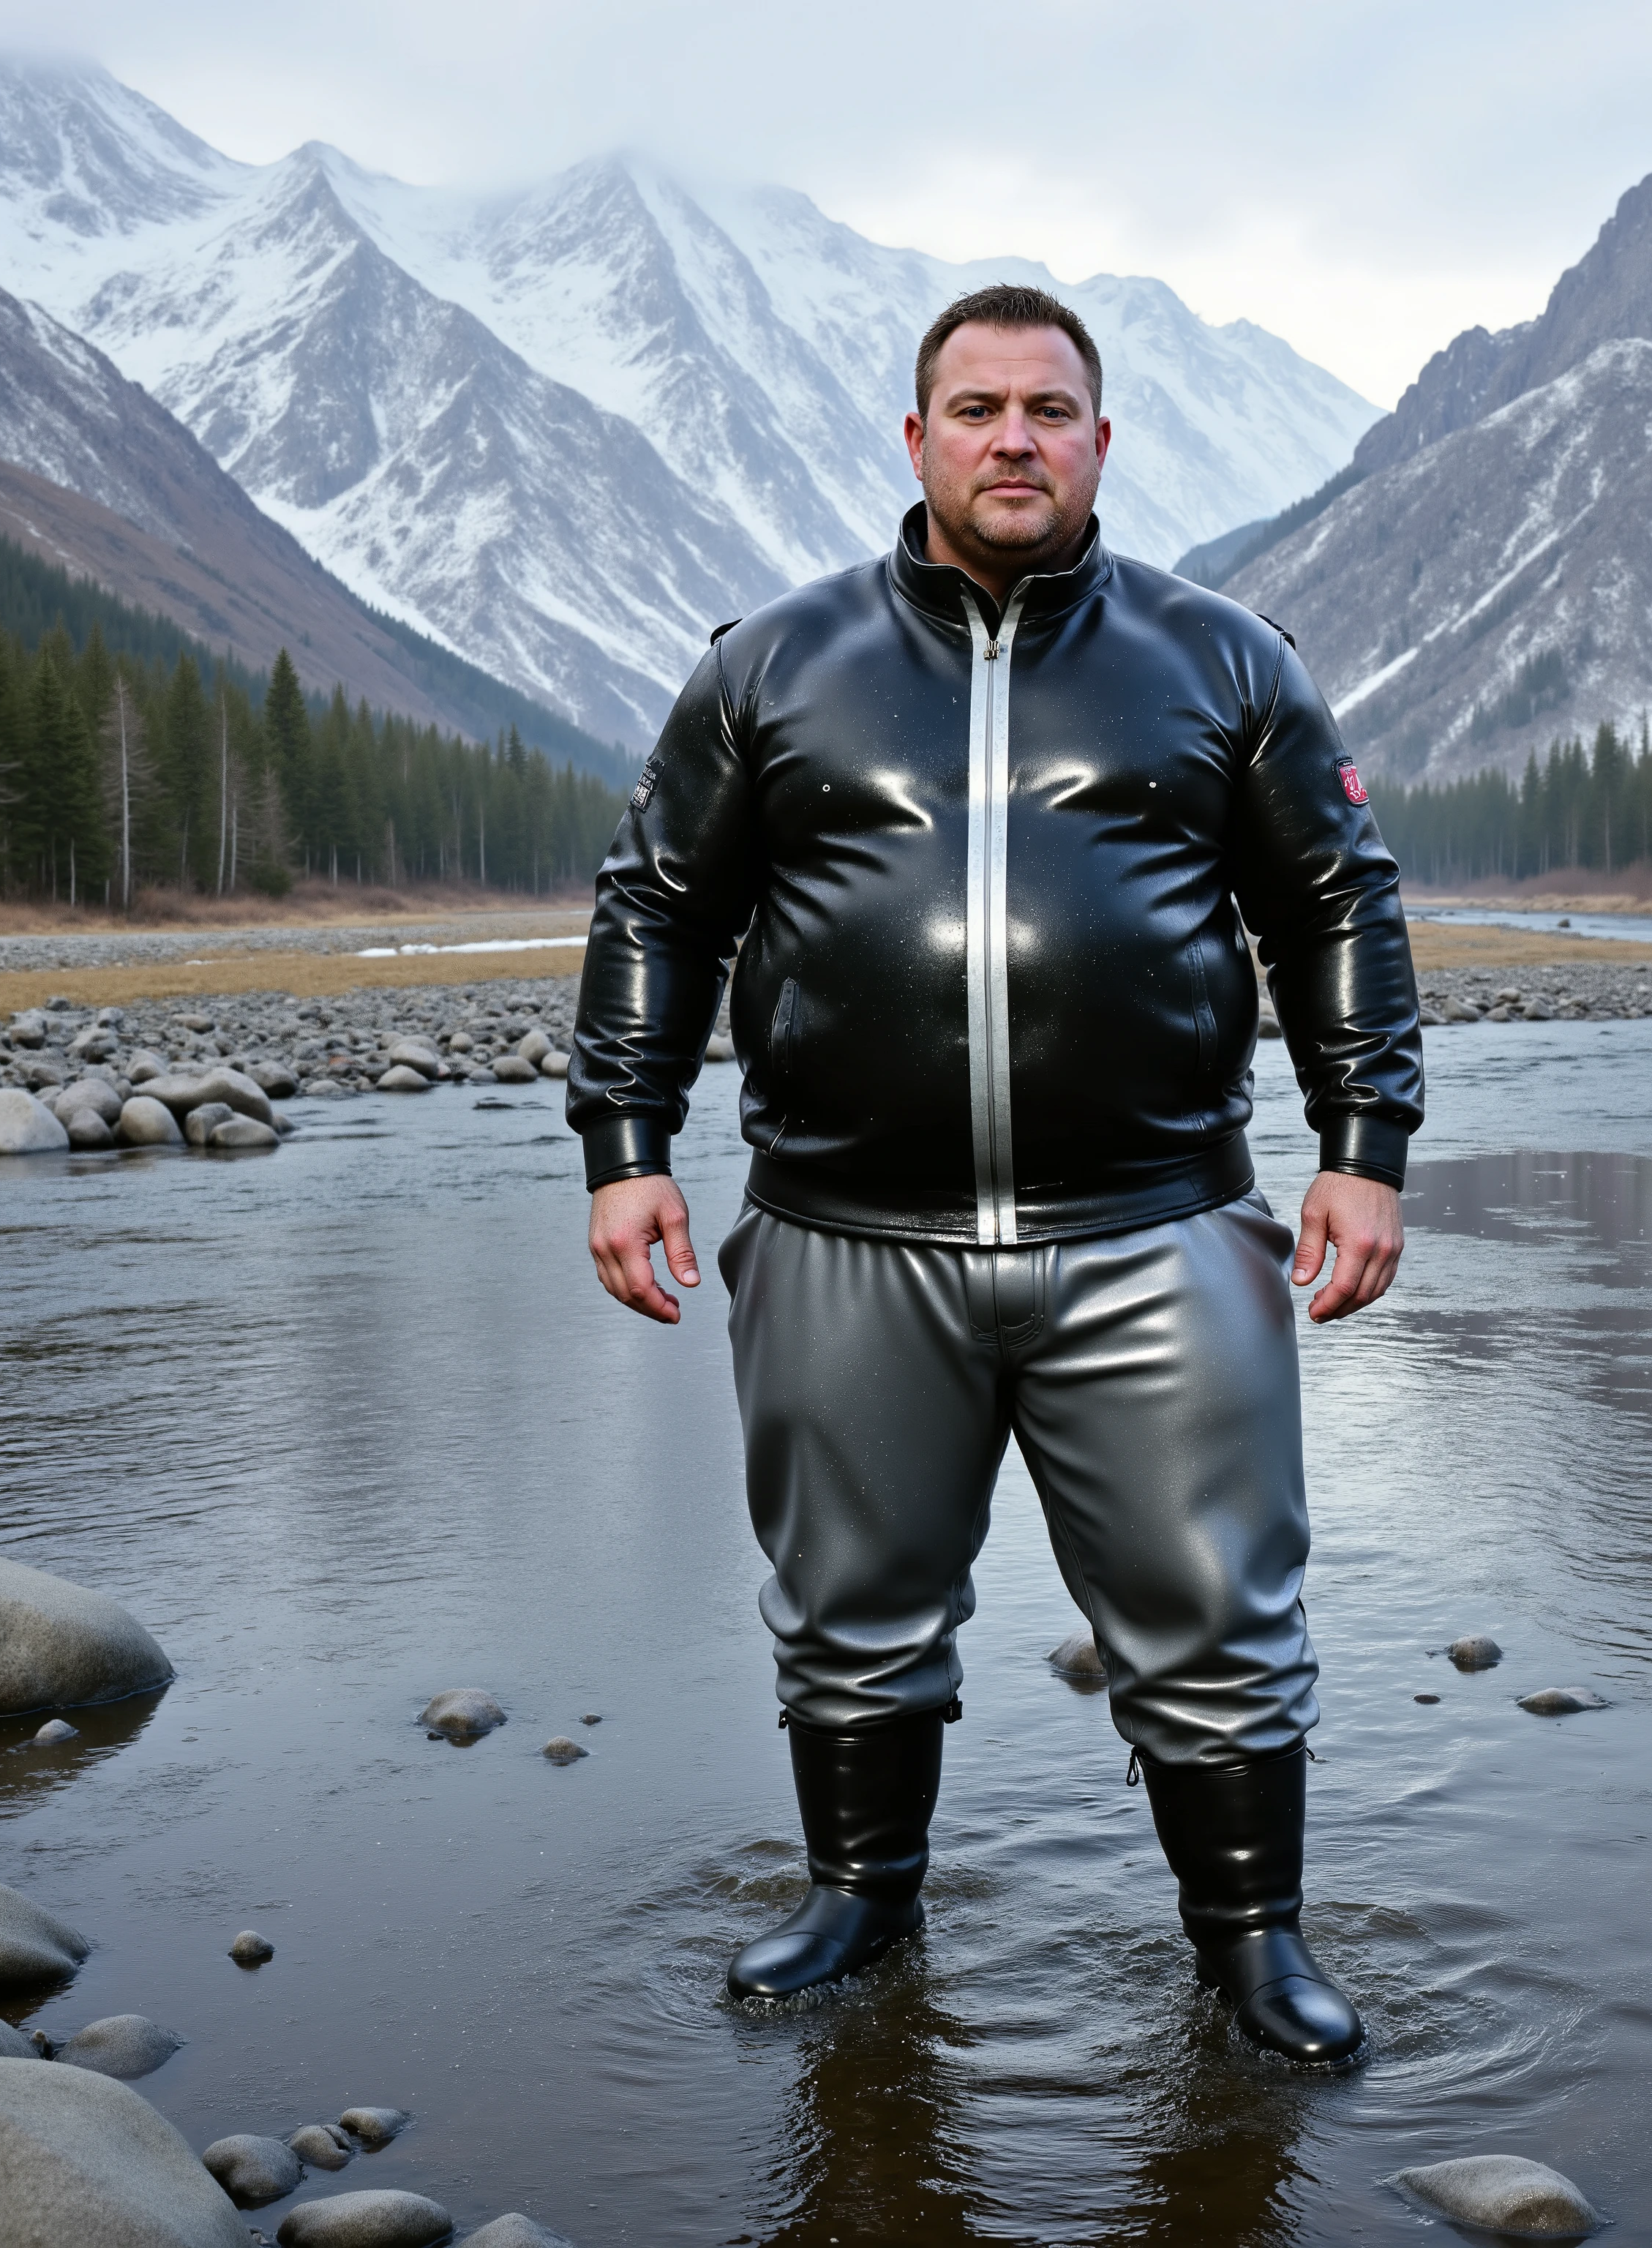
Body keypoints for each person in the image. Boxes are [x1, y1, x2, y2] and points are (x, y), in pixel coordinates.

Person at [568, 282, 1422, 2066]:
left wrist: (1366, 1151)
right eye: (977, 409)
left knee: (1216, 1610)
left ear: (1105, 442)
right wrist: (624, 1148)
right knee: (850, 1610)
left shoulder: (1225, 661)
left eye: (1050, 409)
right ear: (916, 440)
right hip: (843, 1235)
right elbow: (659, 900)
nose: (1013, 438)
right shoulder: (771, 667)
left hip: (1163, 1230)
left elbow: (1338, 899)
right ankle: (859, 1899)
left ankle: (1254, 1944)